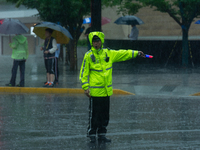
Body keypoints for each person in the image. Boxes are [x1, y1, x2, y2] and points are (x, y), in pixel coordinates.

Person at [79, 31, 145, 143]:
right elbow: (83, 74)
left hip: (106, 92)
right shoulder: (88, 56)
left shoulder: (108, 53)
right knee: (94, 115)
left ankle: (101, 134)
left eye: (98, 41)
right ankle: (92, 134)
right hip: (95, 93)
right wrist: (86, 87)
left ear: (101, 41)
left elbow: (122, 54)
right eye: (94, 41)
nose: (96, 44)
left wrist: (136, 53)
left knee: (105, 116)